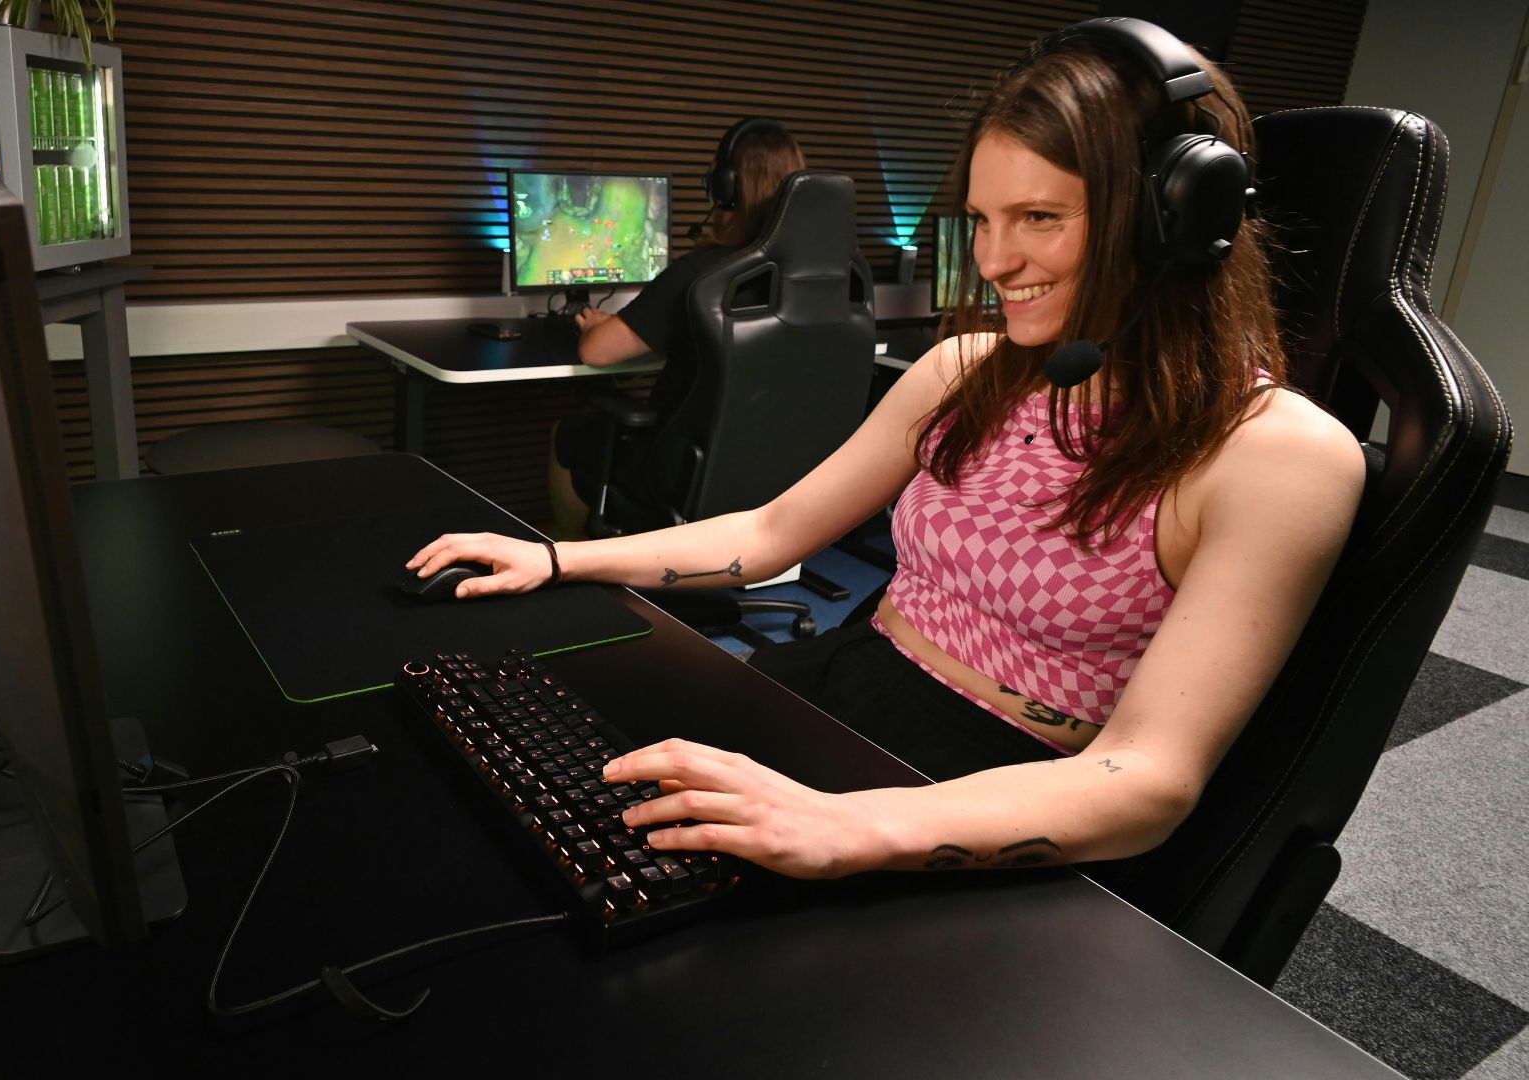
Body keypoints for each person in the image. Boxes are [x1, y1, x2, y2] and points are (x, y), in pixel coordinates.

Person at [409, 23, 1364, 880]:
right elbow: (777, 531)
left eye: (1039, 218)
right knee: (537, 776)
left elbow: (1150, 777)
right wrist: (555, 556)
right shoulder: (967, 368)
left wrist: (844, 828)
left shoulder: (1274, 455)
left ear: (1174, 222)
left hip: (1004, 774)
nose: (993, 262)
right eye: (984, 222)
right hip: (854, 672)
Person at [548, 118, 806, 538]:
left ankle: (568, 563)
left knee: (570, 436)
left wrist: (599, 325)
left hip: (685, 471)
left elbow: (595, 352)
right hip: (784, 471)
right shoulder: (817, 282)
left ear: (725, 189)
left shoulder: (701, 275)